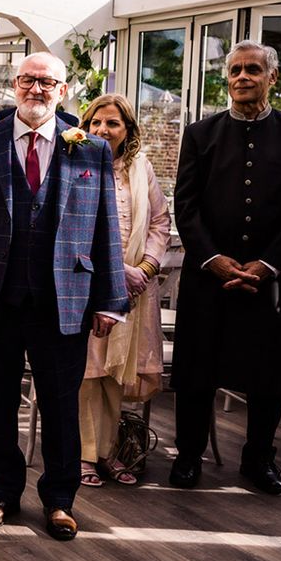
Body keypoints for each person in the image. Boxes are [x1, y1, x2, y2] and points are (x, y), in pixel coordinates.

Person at [0, 51, 128, 541]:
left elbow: (105, 228)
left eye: (47, 82)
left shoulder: (91, 149)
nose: (36, 89)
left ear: (64, 90)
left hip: (65, 300)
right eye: (28, 80)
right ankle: (3, 491)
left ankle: (59, 499)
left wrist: (110, 299)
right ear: (13, 85)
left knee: (59, 404)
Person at [170, 40, 281, 496]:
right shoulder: (200, 134)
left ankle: (259, 460)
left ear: (271, 77)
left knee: (268, 375)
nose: (243, 77)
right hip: (209, 279)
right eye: (235, 70)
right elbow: (185, 204)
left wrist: (269, 263)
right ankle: (188, 456)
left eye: (253, 69)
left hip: (270, 280)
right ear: (226, 79)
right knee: (196, 372)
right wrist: (214, 260)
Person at [78, 94, 170, 487]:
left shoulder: (140, 169)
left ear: (127, 131)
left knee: (115, 373)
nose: (103, 130)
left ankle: (110, 453)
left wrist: (145, 268)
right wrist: (113, 271)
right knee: (86, 373)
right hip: (84, 283)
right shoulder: (74, 164)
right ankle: (82, 457)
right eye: (96, 122)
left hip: (134, 289)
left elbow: (160, 222)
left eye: (112, 123)